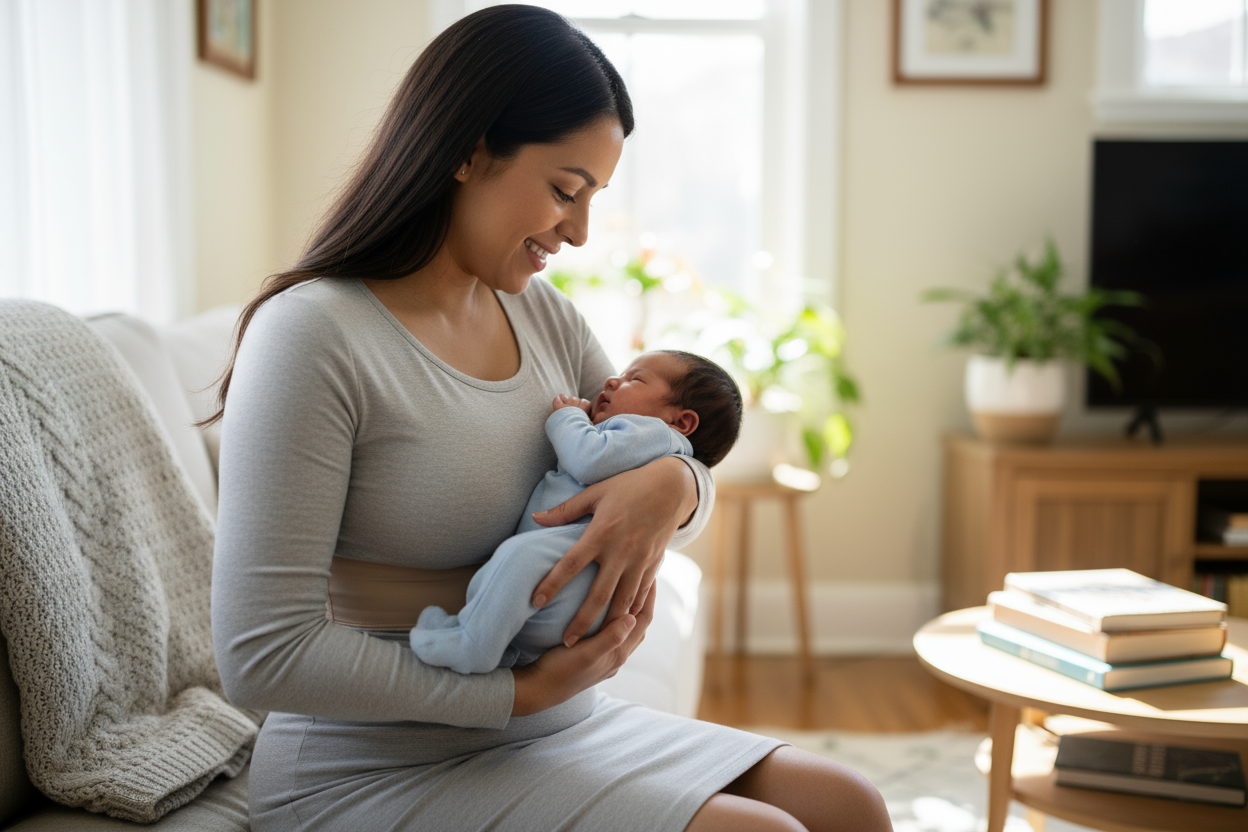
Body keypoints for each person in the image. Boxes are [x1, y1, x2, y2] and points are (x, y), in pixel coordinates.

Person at [209, 5, 892, 831]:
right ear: (467, 149)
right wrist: (513, 692)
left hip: (558, 726)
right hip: (370, 761)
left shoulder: (542, 317)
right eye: (566, 191)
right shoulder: (313, 334)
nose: (579, 231)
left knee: (850, 805)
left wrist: (675, 485)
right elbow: (260, 655)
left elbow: (678, 467)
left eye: (594, 197)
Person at [410, 350, 743, 674]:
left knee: (520, 556)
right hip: (578, 591)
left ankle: (472, 644)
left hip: (574, 566)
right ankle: (497, 643)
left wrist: (568, 416)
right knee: (517, 564)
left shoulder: (653, 433)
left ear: (681, 421)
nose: (612, 380)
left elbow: (587, 459)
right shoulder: (646, 440)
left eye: (635, 378)